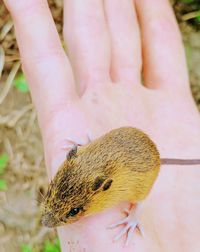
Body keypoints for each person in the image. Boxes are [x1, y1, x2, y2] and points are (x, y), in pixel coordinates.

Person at [3, 0, 200, 251]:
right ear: (73, 156)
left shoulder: (107, 186)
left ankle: (136, 209)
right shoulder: (78, 157)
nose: (50, 222)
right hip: (120, 145)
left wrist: (133, 216)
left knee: (138, 195)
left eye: (74, 212)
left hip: (139, 158)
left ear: (103, 187)